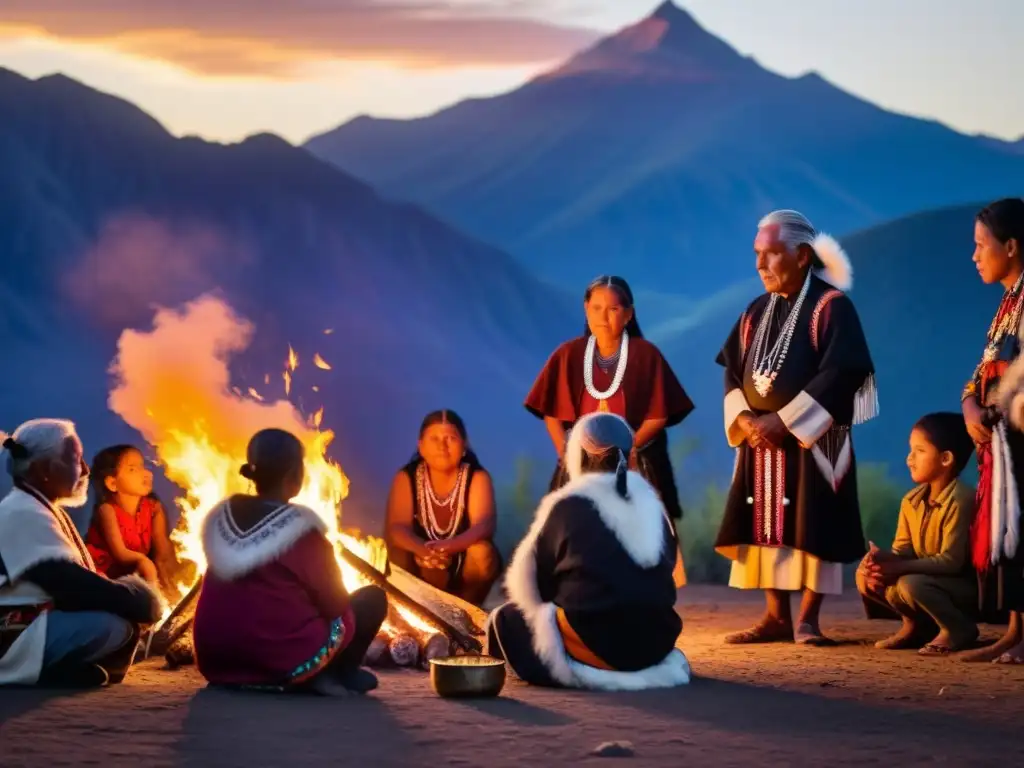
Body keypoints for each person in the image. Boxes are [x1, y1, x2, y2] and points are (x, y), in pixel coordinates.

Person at [715, 209, 878, 646]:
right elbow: (732, 370)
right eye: (757, 254)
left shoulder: (831, 307)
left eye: (771, 253)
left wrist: (784, 421)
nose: (760, 264)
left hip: (814, 440)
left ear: (802, 255)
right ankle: (775, 617)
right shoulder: (755, 311)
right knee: (765, 524)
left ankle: (807, 619)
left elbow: (842, 371)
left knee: (813, 521)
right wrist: (747, 418)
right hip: (759, 438)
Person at [487, 411, 690, 690]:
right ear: (628, 455)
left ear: (579, 454)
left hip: (600, 644)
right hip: (656, 643)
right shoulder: (654, 505)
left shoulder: (565, 504)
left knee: (506, 620)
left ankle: (584, 662)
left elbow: (528, 589)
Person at [524, 274, 694, 586]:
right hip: (578, 463)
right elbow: (552, 414)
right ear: (585, 309)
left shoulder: (646, 355)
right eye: (597, 307)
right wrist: (567, 453)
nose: (604, 316)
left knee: (635, 535)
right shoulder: (568, 354)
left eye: (614, 309)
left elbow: (657, 416)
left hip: (632, 461)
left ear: (629, 314)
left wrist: (626, 450)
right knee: (572, 530)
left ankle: (640, 595)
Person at [192, 428, 387, 695]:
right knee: (372, 600)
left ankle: (302, 675)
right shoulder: (301, 530)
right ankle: (332, 673)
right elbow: (335, 603)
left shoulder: (220, 521)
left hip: (217, 661)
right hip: (279, 662)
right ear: (294, 475)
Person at [0, 419, 164, 688]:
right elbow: (68, 585)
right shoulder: (23, 513)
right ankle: (47, 673)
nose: (86, 470)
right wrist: (138, 600)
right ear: (44, 469)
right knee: (112, 626)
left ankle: (65, 671)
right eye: (76, 460)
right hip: (13, 635)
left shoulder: (38, 508)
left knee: (120, 621)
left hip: (33, 624)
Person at [960, 197, 1024, 664]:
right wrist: (969, 407)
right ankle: (1016, 630)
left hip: (1017, 434)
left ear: (1012, 246)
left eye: (982, 245)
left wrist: (1000, 410)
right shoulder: (1007, 304)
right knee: (1010, 529)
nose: (975, 256)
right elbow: (982, 372)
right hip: (999, 441)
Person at [856, 413, 978, 655]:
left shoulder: (961, 500)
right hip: (927, 579)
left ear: (946, 459)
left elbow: (951, 563)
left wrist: (900, 567)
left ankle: (958, 628)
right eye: (911, 450)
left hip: (962, 587)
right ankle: (916, 626)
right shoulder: (911, 501)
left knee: (911, 584)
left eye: (919, 451)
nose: (910, 459)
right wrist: (884, 561)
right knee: (865, 576)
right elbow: (903, 550)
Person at [385, 410, 501, 606]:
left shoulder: (477, 477)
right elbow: (397, 528)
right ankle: (416, 611)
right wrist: (423, 550)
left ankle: (465, 614)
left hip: (463, 565)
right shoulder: (406, 477)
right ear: (421, 446)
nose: (442, 446)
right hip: (421, 561)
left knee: (482, 553)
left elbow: (485, 525)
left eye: (450, 438)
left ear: (463, 446)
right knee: (397, 553)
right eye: (434, 438)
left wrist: (448, 546)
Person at [85, 445, 180, 600]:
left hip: (137, 575)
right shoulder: (107, 510)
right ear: (112, 484)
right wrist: (145, 564)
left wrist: (170, 583)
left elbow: (162, 549)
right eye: (132, 469)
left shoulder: (154, 508)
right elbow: (121, 555)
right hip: (105, 576)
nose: (145, 474)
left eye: (143, 466)